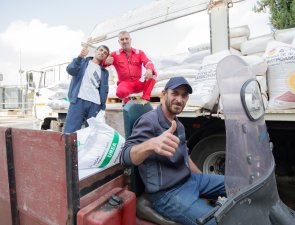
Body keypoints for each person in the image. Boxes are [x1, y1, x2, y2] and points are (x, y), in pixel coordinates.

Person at [121, 76, 226, 225]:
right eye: (175, 93)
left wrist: (206, 182)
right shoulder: (149, 121)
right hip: (167, 193)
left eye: (184, 95)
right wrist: (152, 144)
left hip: (190, 180)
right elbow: (125, 156)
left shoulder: (178, 125)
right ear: (164, 94)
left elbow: (185, 158)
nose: (179, 99)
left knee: (236, 184)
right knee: (216, 221)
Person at [64, 45, 110, 133]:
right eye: (101, 50)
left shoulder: (104, 72)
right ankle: (68, 147)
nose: (102, 53)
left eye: (105, 53)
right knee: (70, 130)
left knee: (92, 133)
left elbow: (105, 91)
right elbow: (70, 70)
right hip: (79, 100)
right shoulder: (82, 62)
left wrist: (103, 108)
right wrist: (79, 57)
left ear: (106, 57)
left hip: (95, 103)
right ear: (96, 51)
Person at [105, 31, 157, 104]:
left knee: (153, 73)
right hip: (125, 84)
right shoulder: (114, 54)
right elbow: (102, 65)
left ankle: (145, 98)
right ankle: (126, 100)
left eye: (126, 38)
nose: (125, 41)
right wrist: (105, 63)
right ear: (119, 42)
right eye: (122, 39)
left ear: (130, 40)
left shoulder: (139, 52)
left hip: (139, 82)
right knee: (120, 93)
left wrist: (149, 69)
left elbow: (148, 62)